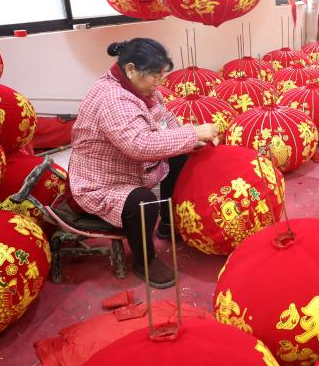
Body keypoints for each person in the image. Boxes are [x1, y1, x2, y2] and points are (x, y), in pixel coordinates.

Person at [68, 38, 217, 288]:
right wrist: (193, 133)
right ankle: (144, 260)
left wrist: (192, 140)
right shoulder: (113, 98)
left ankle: (168, 223)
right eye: (154, 76)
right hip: (101, 181)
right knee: (142, 202)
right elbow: (139, 145)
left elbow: (165, 120)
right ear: (131, 69)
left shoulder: (140, 89)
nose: (159, 83)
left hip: (130, 169)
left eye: (161, 76)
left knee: (181, 155)